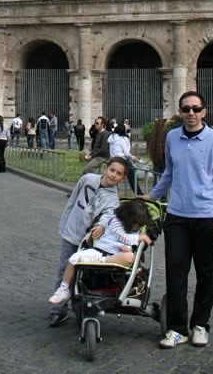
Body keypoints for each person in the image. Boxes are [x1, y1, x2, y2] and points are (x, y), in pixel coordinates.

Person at [149, 91, 213, 349]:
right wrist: (150, 199)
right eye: (186, 109)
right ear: (180, 112)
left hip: (207, 217)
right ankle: (176, 328)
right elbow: (169, 174)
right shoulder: (172, 137)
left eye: (196, 108)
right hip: (176, 216)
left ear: (204, 112)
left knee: (206, 274)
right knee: (176, 273)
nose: (192, 113)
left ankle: (200, 326)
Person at [48, 157, 129, 327]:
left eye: (119, 174)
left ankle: (80, 307)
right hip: (71, 231)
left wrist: (101, 225)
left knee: (84, 273)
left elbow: (108, 216)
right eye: (112, 170)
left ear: (123, 179)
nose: (113, 175)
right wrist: (64, 225)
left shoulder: (113, 199)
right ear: (106, 169)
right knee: (64, 270)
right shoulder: (88, 179)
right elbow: (72, 201)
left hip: (88, 241)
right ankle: (58, 310)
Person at [48, 199, 152, 303]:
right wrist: (141, 237)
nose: (137, 228)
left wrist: (127, 247)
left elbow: (130, 244)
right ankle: (63, 289)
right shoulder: (115, 221)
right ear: (128, 218)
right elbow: (123, 237)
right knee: (73, 258)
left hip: (116, 256)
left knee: (130, 257)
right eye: (136, 224)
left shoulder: (135, 231)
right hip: (101, 250)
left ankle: (99, 260)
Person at [108, 123, 142, 194]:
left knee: (113, 178)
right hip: (122, 160)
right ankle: (139, 194)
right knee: (132, 176)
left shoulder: (111, 138)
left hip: (113, 160)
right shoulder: (121, 139)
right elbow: (126, 153)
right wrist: (133, 158)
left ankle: (113, 193)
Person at [146, 118, 167, 184]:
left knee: (156, 179)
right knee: (163, 180)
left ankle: (155, 193)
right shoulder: (166, 135)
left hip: (156, 159)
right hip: (164, 160)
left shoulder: (152, 135)